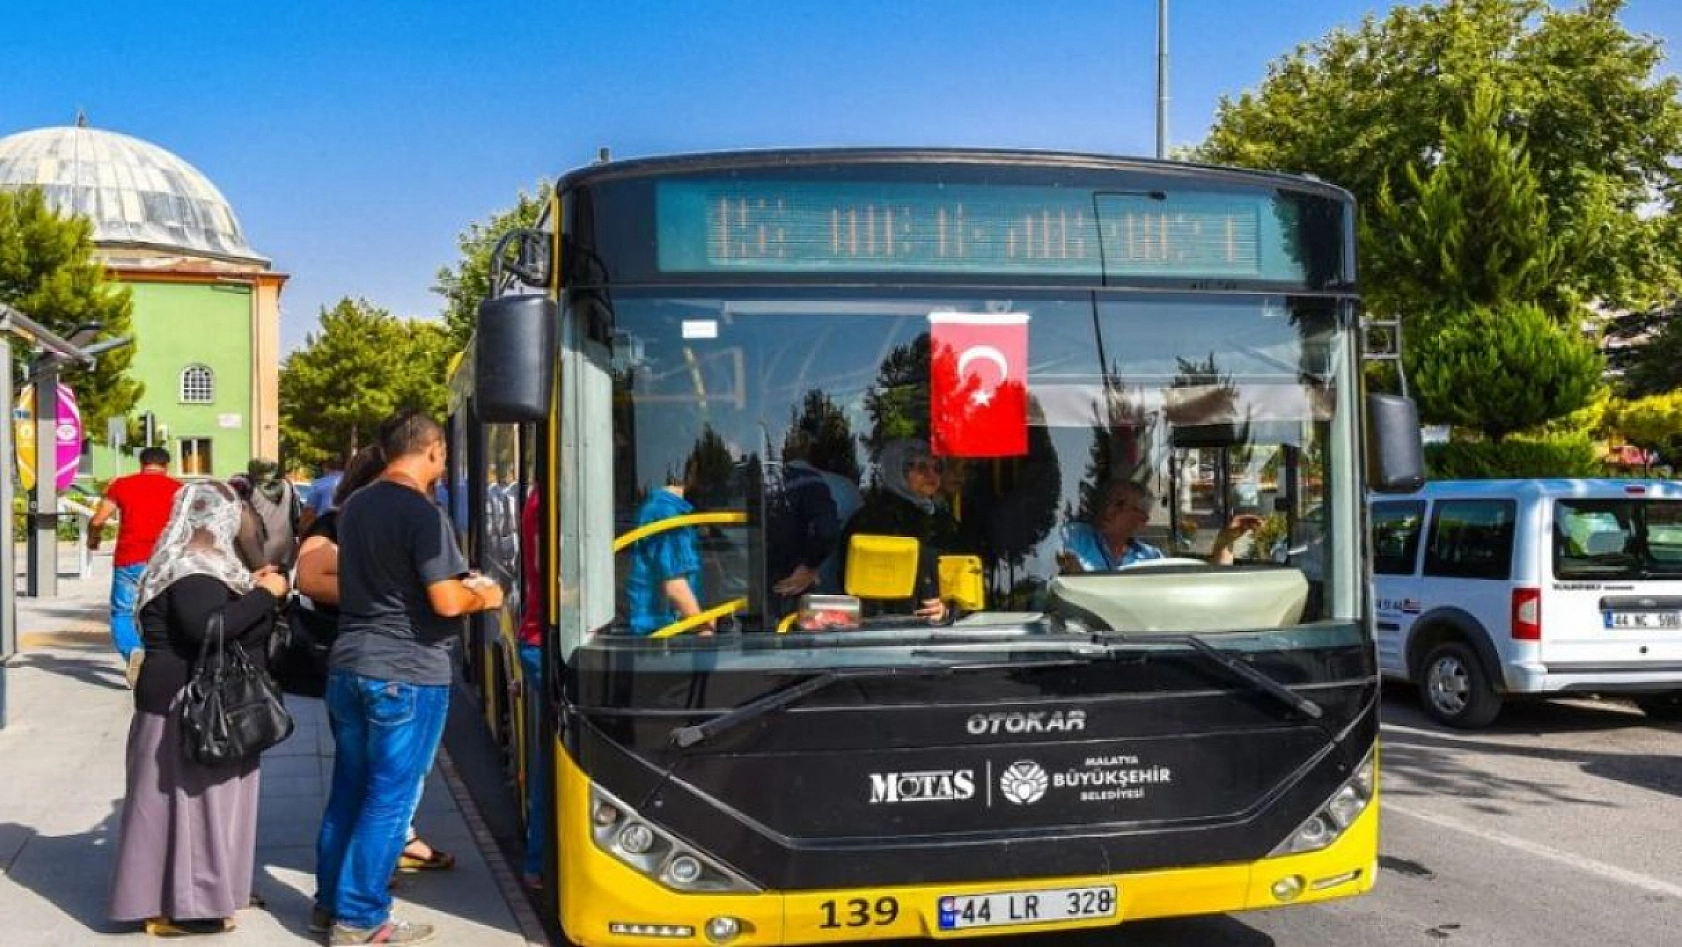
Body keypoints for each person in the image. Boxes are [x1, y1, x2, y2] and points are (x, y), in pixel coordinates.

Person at [312, 411, 503, 946]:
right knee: (390, 799)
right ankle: (362, 917)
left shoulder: (355, 507)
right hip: (407, 671)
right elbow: (445, 600)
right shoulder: (422, 514)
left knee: (349, 791)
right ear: (435, 451)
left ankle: (328, 906)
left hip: (350, 664)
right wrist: (485, 595)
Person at [108, 481, 290, 936]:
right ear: (219, 520)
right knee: (194, 810)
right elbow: (206, 627)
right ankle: (190, 909)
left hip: (180, 699)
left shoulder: (191, 563)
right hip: (185, 706)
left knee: (184, 810)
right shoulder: (194, 568)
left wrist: (252, 586)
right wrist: (265, 595)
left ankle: (202, 893)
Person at [295, 445, 455, 884]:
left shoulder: (381, 518)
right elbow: (309, 578)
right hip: (384, 663)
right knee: (383, 792)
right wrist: (385, 593)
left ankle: (339, 897)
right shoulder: (344, 522)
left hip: (367, 661)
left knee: (368, 788)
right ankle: (360, 906)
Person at [88, 446, 182, 685]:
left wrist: (93, 539)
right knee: (167, 612)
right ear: (166, 466)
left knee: (123, 612)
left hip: (129, 559)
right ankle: (164, 662)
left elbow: (98, 519)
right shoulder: (179, 489)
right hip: (165, 562)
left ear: (141, 464)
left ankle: (132, 651)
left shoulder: (122, 485)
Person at [846, 439, 965, 624]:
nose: (931, 474)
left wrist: (949, 606)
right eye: (920, 467)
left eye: (937, 468)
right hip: (881, 632)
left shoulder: (942, 520)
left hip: (938, 632)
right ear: (898, 471)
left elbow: (962, 574)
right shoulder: (873, 520)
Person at [1057, 479, 1258, 573]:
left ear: (1142, 520)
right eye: (1107, 502)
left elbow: (1200, 591)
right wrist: (1073, 575)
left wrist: (1224, 542)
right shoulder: (1072, 535)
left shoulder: (1151, 558)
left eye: (1119, 505)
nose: (1109, 510)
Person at [625, 457, 712, 636]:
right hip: (661, 637)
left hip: (670, 630)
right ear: (694, 473)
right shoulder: (666, 514)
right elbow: (675, 586)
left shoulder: (669, 510)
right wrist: (705, 631)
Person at [516, 486, 547, 890]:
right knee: (554, 760)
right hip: (545, 640)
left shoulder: (541, 495)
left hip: (540, 638)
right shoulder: (548, 499)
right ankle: (539, 860)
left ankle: (539, 860)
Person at [235, 457, 301, 572]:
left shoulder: (247, 486)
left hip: (258, 551)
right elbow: (296, 517)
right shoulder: (288, 485)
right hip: (285, 550)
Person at [299, 454, 345, 533]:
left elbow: (308, 514)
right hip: (347, 531)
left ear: (325, 466)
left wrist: (302, 535)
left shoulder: (319, 484)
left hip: (325, 532)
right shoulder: (352, 482)